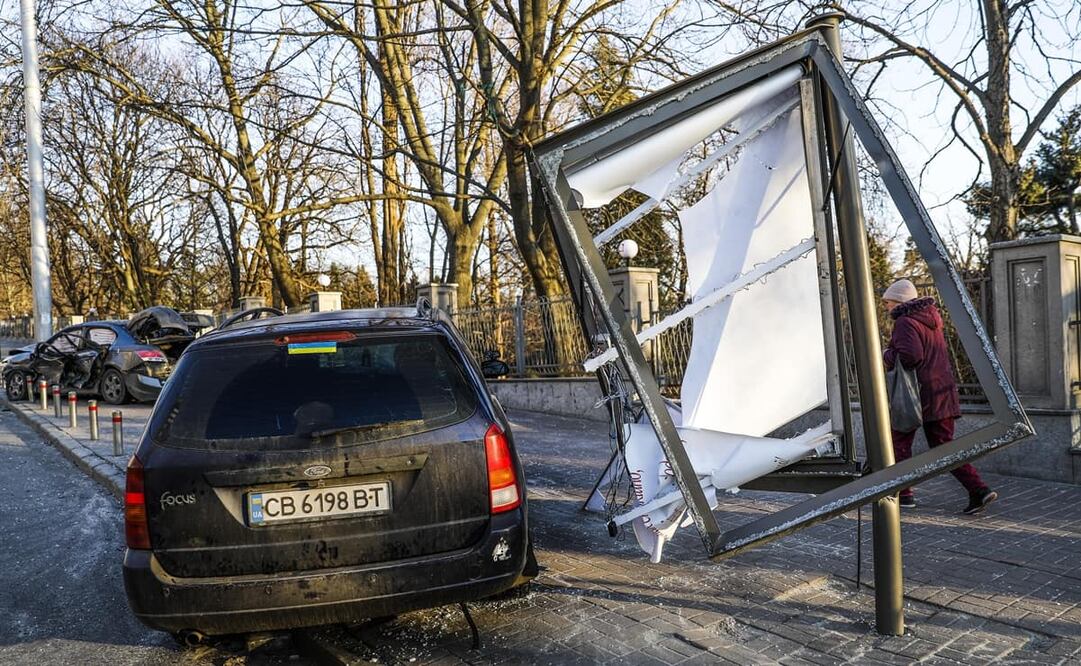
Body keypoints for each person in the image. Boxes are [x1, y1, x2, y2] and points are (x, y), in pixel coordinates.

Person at [882, 278, 998, 515]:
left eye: (888, 301)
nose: (886, 306)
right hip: (942, 392)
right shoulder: (931, 320)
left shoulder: (905, 322)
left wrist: (886, 355)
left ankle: (904, 495)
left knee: (899, 442)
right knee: (944, 446)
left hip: (917, 395)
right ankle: (978, 490)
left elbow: (911, 356)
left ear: (899, 301)